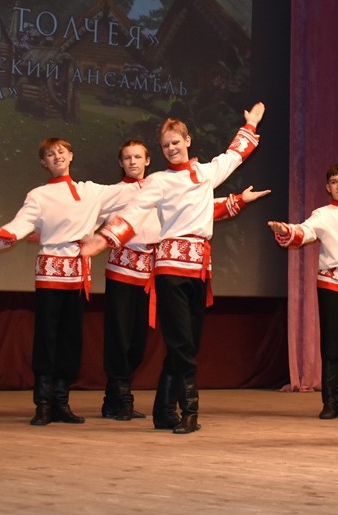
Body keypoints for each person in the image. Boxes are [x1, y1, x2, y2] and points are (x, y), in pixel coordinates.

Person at [82, 103, 265, 435]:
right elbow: (134, 212)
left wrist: (250, 126)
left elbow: (235, 154)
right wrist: (105, 238)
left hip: (199, 268)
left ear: (188, 140)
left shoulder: (206, 173)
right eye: (166, 145)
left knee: (188, 343)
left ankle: (163, 410)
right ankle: (189, 412)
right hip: (169, 268)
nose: (171, 148)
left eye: (176, 142)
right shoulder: (158, 181)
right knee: (181, 343)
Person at [0, 138, 140, 426]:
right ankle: (43, 404)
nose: (57, 156)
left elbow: (132, 191)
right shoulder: (39, 195)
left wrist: (170, 180)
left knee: (71, 340)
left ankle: (61, 402)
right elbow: (19, 226)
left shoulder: (91, 191)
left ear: (71, 156)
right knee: (47, 338)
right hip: (50, 274)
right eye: (50, 154)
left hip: (77, 276)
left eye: (61, 152)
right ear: (44, 163)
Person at [268, 164, 338, 420]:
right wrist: (287, 230)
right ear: (328, 188)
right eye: (334, 182)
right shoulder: (323, 214)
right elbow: (305, 231)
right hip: (331, 283)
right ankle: (329, 402)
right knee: (331, 343)